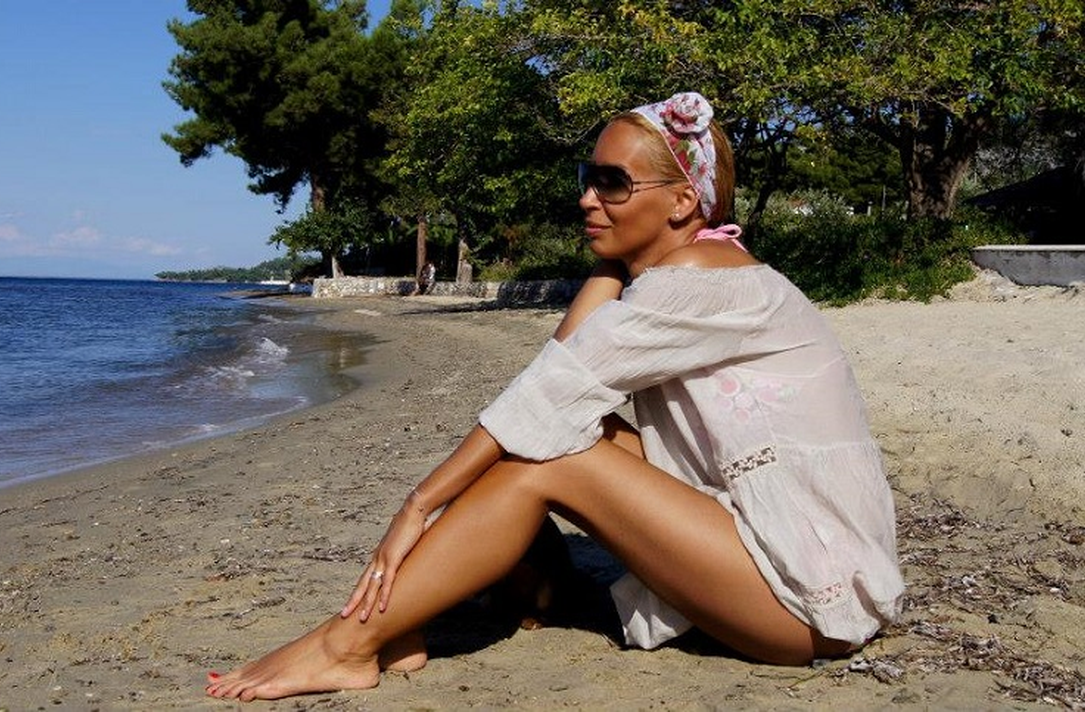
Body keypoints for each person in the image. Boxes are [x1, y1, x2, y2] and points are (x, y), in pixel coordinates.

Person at [205, 91, 905, 702]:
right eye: (586, 177)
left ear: (683, 202)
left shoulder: (702, 280)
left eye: (613, 183)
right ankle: (442, 612)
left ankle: (348, 644)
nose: (587, 198)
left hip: (803, 599)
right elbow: (561, 373)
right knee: (558, 434)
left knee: (552, 454)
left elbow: (548, 393)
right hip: (769, 543)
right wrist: (615, 259)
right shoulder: (685, 270)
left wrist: (417, 506)